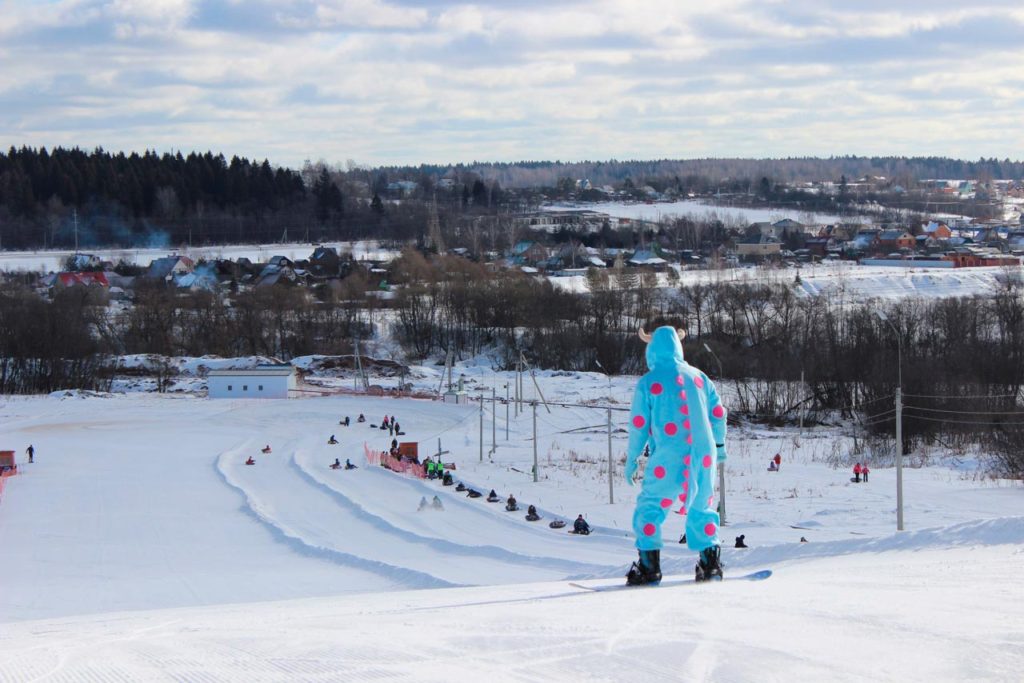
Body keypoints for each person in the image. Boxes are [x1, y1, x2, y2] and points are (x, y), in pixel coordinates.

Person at [624, 325, 728, 585]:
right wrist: (719, 447)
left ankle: (649, 568)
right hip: (703, 454)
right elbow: (718, 414)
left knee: (650, 506)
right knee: (701, 506)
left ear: (652, 350)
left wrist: (633, 457)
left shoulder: (649, 382)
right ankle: (710, 565)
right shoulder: (700, 377)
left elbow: (639, 424)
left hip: (669, 454)